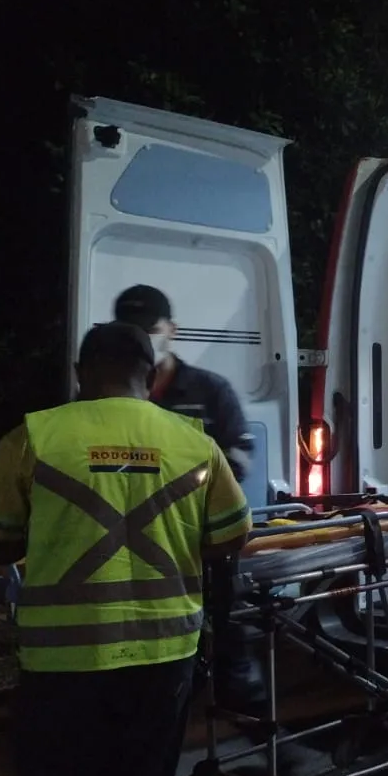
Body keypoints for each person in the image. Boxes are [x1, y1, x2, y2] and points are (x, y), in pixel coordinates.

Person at [0, 322, 251, 776]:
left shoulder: (37, 436)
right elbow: (233, 536)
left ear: (82, 372)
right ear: (147, 369)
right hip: (164, 653)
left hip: (67, 655)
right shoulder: (193, 443)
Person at [113, 284, 268, 713]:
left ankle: (238, 684)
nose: (144, 339)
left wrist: (178, 495)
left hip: (193, 531)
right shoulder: (102, 396)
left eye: (151, 329)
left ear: (172, 330)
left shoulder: (208, 389)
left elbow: (236, 459)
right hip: (122, 535)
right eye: (131, 330)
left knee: (223, 606)